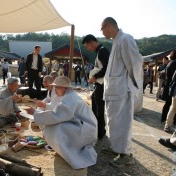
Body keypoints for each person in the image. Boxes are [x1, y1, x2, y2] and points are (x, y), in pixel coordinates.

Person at [25, 76, 98, 169]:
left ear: (65, 88)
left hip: (86, 129)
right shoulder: (68, 95)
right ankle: (64, 148)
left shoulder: (69, 98)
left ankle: (68, 150)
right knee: (54, 125)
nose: (55, 90)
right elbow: (58, 112)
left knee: (57, 128)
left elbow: (56, 115)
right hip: (83, 126)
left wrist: (35, 113)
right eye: (55, 87)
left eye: (58, 87)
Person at [100, 17, 143, 167]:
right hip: (114, 89)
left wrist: (135, 90)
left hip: (122, 90)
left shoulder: (125, 39)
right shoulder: (116, 41)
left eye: (102, 28)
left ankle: (126, 154)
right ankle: (116, 147)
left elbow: (135, 64)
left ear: (109, 26)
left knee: (122, 122)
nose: (102, 32)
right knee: (113, 121)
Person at [82, 34, 110, 140]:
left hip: (102, 84)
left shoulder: (102, 51)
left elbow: (107, 68)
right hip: (98, 83)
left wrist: (95, 76)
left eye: (87, 46)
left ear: (92, 42)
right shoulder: (99, 51)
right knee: (95, 106)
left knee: (99, 108)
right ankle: (98, 130)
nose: (88, 49)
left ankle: (100, 132)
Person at [161, 50, 176, 123]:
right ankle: (167, 119)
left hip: (168, 85)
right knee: (171, 105)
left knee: (168, 103)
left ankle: (163, 118)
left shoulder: (170, 63)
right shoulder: (174, 63)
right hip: (171, 86)